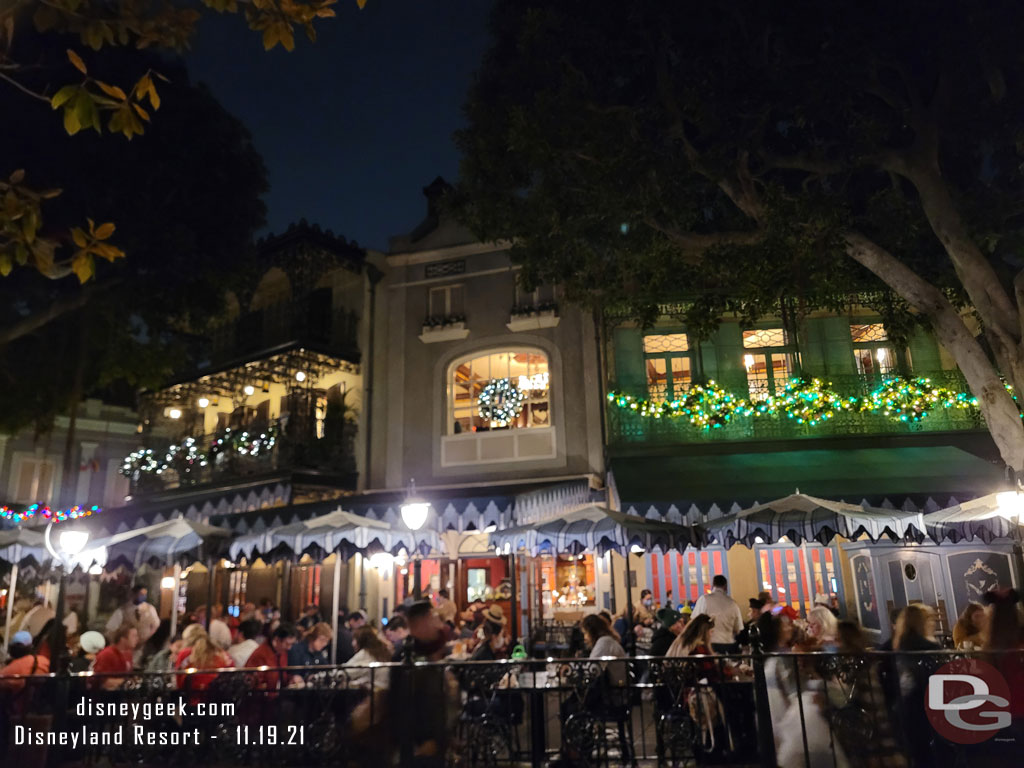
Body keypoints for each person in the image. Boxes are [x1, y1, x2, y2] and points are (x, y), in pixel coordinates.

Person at [691, 575, 744, 654]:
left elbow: (695, 621)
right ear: (725, 587)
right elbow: (738, 629)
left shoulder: (704, 599)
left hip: (709, 645)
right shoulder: (733, 603)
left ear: (712, 585)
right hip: (729, 645)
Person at [174, 625, 233, 692]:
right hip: (221, 697)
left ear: (186, 640)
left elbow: (179, 683)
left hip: (193, 698)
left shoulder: (185, 654)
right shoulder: (222, 653)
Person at [245, 623, 299, 690]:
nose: (289, 648)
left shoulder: (282, 652)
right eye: (287, 644)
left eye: (291, 644)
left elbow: (282, 676)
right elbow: (253, 684)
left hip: (278, 695)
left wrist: (291, 679)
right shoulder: (260, 654)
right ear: (277, 639)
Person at [92, 625, 138, 690]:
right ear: (123, 639)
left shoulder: (128, 654)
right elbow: (103, 681)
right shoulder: (106, 654)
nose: (137, 639)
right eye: (134, 636)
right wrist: (126, 681)